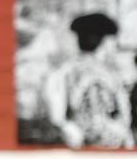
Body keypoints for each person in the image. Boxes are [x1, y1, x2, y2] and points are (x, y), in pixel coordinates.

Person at [44, 13, 135, 150]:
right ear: (105, 42)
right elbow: (124, 117)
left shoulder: (62, 73)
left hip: (87, 146)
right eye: (112, 41)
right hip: (95, 147)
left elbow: (58, 119)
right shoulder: (111, 76)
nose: (114, 46)